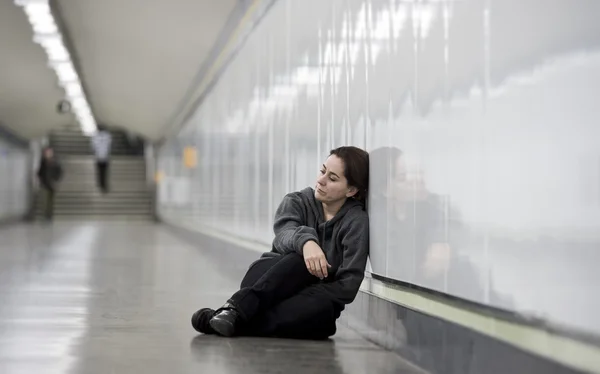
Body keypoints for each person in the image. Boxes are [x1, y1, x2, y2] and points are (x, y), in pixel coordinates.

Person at [191, 146, 370, 340]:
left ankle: (227, 317)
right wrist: (307, 243)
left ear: (351, 190)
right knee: (299, 260)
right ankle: (236, 309)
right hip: (266, 279)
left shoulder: (355, 221)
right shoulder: (297, 201)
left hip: (310, 298)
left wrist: (313, 287)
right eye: (322, 171)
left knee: (324, 316)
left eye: (332, 178)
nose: (321, 180)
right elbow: (284, 233)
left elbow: (348, 284)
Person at [36, 147, 63, 220]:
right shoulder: (43, 162)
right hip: (44, 184)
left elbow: (59, 172)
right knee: (44, 200)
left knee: (50, 201)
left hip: (52, 184)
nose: (48, 154)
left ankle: (49, 215)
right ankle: (45, 214)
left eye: (49, 152)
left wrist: (56, 180)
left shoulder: (55, 162)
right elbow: (39, 172)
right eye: (47, 152)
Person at [91, 124, 112, 193]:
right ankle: (104, 185)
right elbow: (109, 145)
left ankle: (100, 184)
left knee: (100, 171)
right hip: (105, 157)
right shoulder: (107, 136)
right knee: (105, 172)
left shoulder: (95, 136)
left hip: (98, 157)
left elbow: (93, 146)